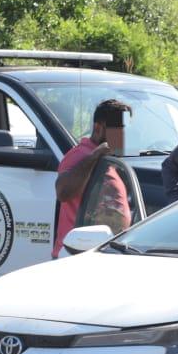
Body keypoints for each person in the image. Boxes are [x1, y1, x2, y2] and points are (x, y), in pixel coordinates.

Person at [52, 99, 133, 258]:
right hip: (76, 253)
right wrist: (95, 156)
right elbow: (63, 192)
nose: (123, 136)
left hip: (101, 253)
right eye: (119, 129)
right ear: (98, 127)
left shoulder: (111, 160)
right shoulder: (80, 155)